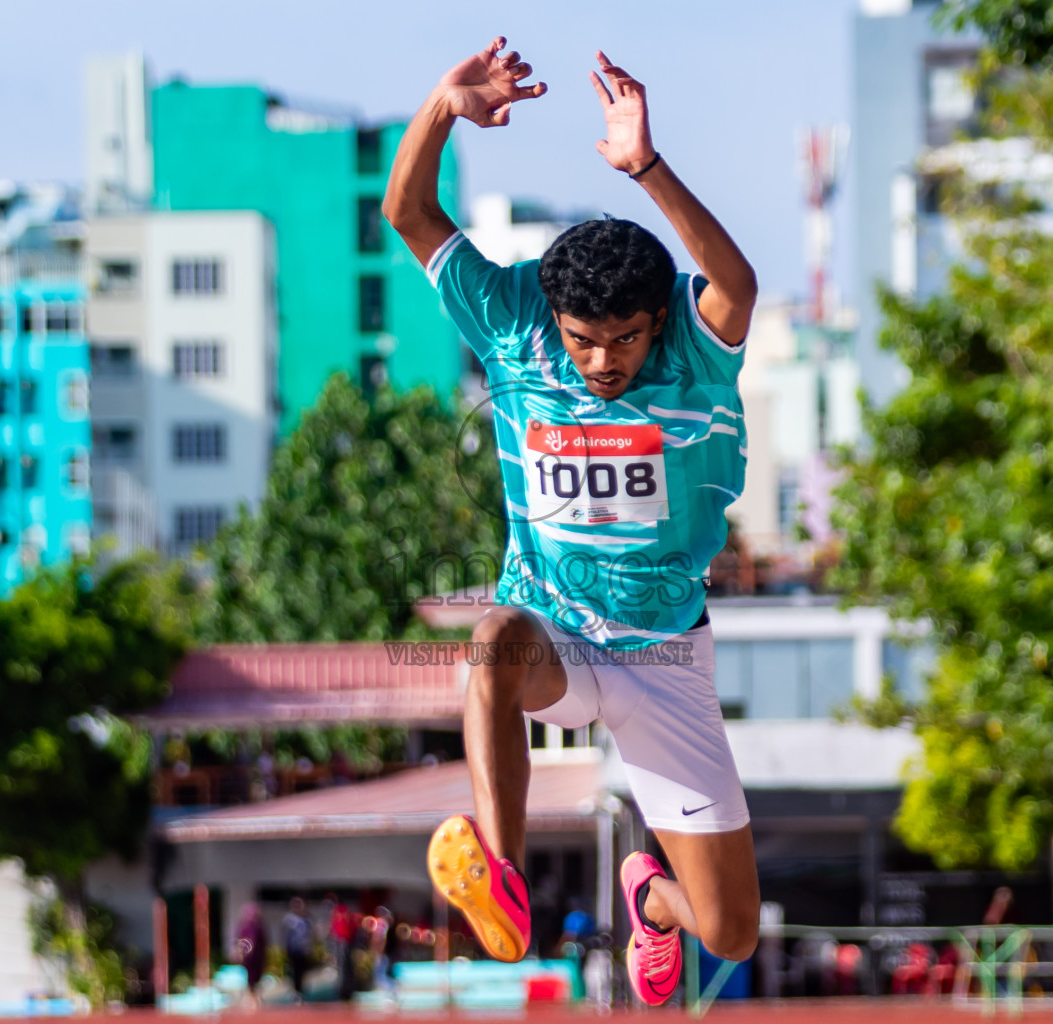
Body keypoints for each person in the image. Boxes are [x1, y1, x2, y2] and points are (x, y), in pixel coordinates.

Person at [383, 36, 760, 1007]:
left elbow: (737, 284)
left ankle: (653, 899)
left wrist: (646, 167)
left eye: (624, 339)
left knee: (732, 930)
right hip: (556, 635)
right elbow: (409, 212)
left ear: (656, 320)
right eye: (585, 342)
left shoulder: (696, 347)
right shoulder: (513, 321)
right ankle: (502, 878)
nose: (602, 363)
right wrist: (441, 107)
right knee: (491, 638)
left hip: (665, 658)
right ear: (554, 321)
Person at [232, 902, 269, 1009]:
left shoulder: (259, 926)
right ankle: (251, 997)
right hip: (249, 958)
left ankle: (255, 997)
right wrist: (240, 953)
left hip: (258, 957)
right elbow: (241, 941)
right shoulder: (245, 926)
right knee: (250, 977)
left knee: (256, 977)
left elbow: (263, 942)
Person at [281, 897, 314, 996]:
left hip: (304, 950)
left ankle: (302, 992)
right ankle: (295, 992)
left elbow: (310, 934)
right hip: (293, 950)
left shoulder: (306, 919)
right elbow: (285, 934)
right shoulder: (289, 919)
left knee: (303, 971)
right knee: (293, 971)